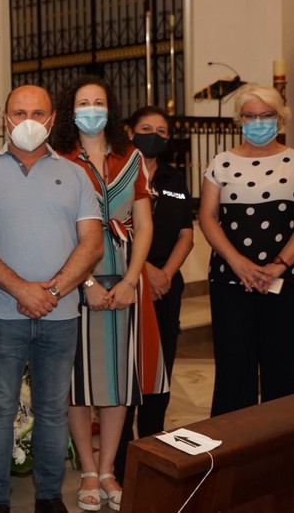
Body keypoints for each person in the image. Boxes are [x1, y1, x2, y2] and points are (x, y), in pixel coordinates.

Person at [0, 85, 104, 513]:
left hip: (60, 313)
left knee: (54, 411)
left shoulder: (74, 174)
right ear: (5, 118)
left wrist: (49, 292)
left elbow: (92, 244)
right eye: (19, 112)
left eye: (37, 112)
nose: (27, 121)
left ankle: (50, 497)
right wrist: (20, 289)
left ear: (52, 120)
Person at [51, 75, 163, 512]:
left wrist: (134, 279)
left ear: (110, 109)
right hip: (78, 277)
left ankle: (110, 466)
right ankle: (88, 470)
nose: (92, 108)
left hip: (125, 280)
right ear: (71, 110)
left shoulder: (130, 157)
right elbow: (59, 229)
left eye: (99, 102)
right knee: (79, 381)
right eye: (83, 102)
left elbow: (144, 223)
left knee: (119, 379)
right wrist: (87, 283)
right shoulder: (60, 159)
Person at [199, 84, 294, 417]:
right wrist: (238, 263)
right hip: (230, 279)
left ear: (279, 118)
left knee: (282, 367)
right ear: (239, 120)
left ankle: (280, 452)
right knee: (233, 367)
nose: (258, 122)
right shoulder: (221, 163)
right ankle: (231, 452)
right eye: (250, 116)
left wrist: (278, 267)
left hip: (287, 278)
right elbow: (208, 218)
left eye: (266, 115)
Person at [115, 106, 194, 478]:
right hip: (127, 277)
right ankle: (117, 459)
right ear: (129, 132)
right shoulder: (115, 171)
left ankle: (152, 447)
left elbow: (186, 233)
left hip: (165, 282)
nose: (155, 135)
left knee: (161, 370)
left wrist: (165, 274)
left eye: (162, 131)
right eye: (146, 128)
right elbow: (112, 228)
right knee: (126, 369)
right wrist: (144, 270)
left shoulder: (175, 178)